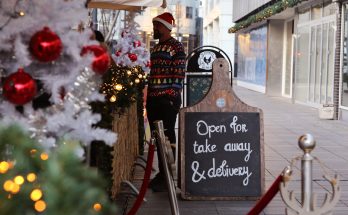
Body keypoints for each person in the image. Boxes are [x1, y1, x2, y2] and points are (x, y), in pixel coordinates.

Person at [145, 12, 186, 192]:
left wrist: (170, 96)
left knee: (167, 137)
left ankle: (168, 174)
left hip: (167, 101)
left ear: (166, 27)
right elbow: (152, 74)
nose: (155, 28)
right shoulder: (155, 48)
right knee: (157, 137)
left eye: (157, 25)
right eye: (154, 25)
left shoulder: (176, 47)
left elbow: (179, 73)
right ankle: (163, 173)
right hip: (153, 100)